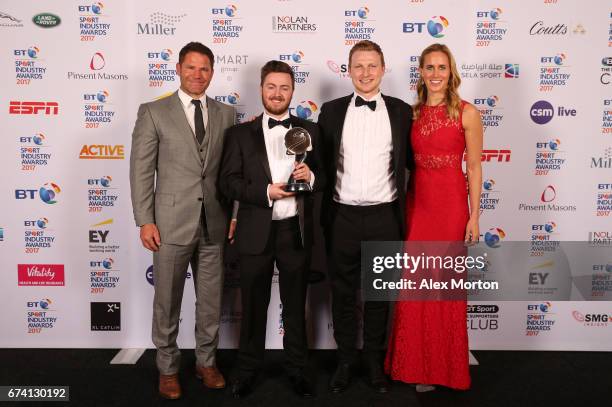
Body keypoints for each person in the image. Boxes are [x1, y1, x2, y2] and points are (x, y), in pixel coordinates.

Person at [129, 42, 236, 399]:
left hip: (215, 223)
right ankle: (168, 367)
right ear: (177, 69)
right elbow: (141, 171)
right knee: (167, 300)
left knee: (210, 301)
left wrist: (233, 214)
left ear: (212, 72)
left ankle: (206, 362)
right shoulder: (154, 111)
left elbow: (232, 172)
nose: (197, 75)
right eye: (190, 67)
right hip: (170, 223)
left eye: (204, 68)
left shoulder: (227, 113)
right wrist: (145, 220)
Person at [218, 60, 324, 399]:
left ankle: (297, 369)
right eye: (271, 87)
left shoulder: (311, 131)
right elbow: (228, 183)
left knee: (295, 306)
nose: (277, 93)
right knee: (252, 305)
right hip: (255, 231)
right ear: (261, 89)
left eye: (284, 88)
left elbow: (322, 181)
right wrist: (266, 192)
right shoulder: (239, 134)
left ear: (293, 91)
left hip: (296, 232)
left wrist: (312, 178)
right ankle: (247, 370)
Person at [385, 43, 483, 392]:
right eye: (430, 67)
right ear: (422, 73)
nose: (436, 74)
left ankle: (447, 361)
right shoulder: (410, 114)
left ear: (451, 72)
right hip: (419, 205)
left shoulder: (467, 113)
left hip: (452, 205)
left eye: (442, 67)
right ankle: (418, 363)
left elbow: (473, 166)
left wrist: (474, 217)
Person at [318, 40, 413, 393]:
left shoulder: (403, 112)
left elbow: (417, 165)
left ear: (383, 69)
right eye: (358, 66)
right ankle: (345, 360)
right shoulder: (329, 111)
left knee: (378, 295)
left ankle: (374, 359)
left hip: (385, 216)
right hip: (340, 216)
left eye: (372, 66)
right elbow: (318, 165)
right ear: (348, 70)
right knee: (342, 293)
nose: (365, 73)